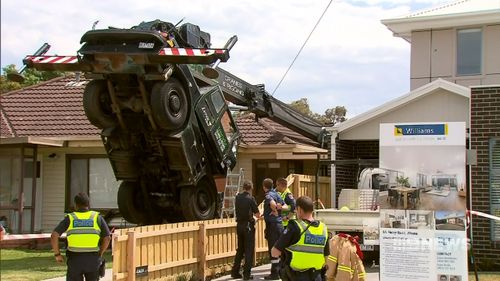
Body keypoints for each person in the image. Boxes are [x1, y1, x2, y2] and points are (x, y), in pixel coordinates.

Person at [51, 193, 111, 281]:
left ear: (75, 205)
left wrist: (57, 254)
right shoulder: (97, 217)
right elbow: (107, 238)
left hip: (75, 260)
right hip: (93, 260)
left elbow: (54, 235)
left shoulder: (70, 218)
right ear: (88, 204)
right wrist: (100, 253)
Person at [271, 196, 329, 281]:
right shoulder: (323, 228)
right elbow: (326, 257)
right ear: (312, 210)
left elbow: (274, 252)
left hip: (297, 276)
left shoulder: (295, 227)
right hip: (317, 276)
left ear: (299, 209)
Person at [231, 180, 261, 280]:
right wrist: (256, 218)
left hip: (239, 225)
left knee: (240, 249)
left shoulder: (237, 197)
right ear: (251, 188)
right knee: (249, 250)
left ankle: (235, 272)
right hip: (248, 227)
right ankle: (246, 275)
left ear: (243, 187)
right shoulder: (251, 199)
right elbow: (257, 214)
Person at [262, 178, 285, 280]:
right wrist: (278, 208)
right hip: (279, 225)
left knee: (273, 249)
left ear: (264, 187)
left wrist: (274, 209)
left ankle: (274, 274)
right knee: (279, 249)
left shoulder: (268, 195)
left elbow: (271, 203)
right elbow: (285, 206)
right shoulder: (278, 194)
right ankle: (280, 272)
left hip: (272, 226)